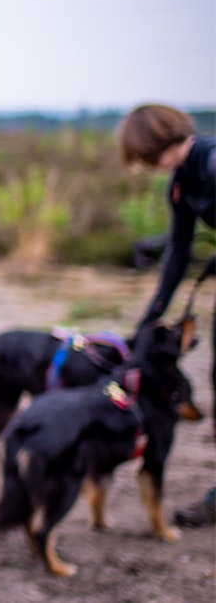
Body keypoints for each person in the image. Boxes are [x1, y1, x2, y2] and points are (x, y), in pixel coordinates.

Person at [117, 103, 216, 528]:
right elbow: (177, 254)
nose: (146, 164)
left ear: (159, 140)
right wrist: (149, 319)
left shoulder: (212, 162)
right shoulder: (181, 184)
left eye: (144, 154)